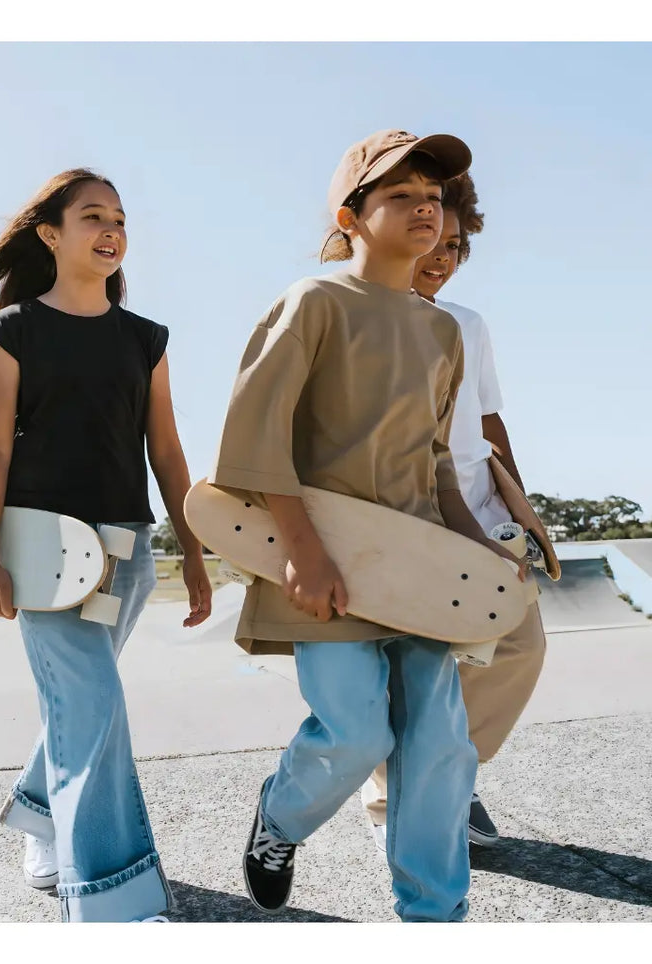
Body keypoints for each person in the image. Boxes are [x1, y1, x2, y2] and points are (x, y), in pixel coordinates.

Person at [209, 130, 524, 922]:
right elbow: (255, 435)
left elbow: (435, 463)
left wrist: (480, 550)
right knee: (354, 734)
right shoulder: (312, 302)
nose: (425, 209)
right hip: (326, 562)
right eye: (400, 196)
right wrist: (304, 555)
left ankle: (432, 915)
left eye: (433, 197)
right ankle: (279, 818)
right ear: (350, 216)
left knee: (439, 746)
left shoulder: (442, 332)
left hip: (421, 571)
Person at [0, 168, 212, 922]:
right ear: (51, 234)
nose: (110, 229)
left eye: (119, 217)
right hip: (41, 551)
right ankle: (110, 898)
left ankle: (39, 816)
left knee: (84, 704)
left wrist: (192, 551)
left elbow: (169, 453)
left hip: (124, 549)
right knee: (91, 705)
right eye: (92, 216)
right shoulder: (14, 331)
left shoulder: (143, 339)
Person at [360, 173, 547, 850]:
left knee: (519, 648)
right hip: (412, 516)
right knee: (425, 666)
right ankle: (411, 793)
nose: (443, 252)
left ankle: (443, 775)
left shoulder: (468, 323)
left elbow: (488, 418)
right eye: (436, 236)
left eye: (458, 245)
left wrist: (521, 505)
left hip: (481, 507)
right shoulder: (365, 316)